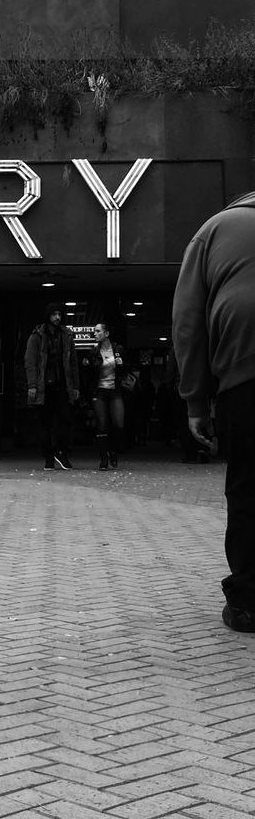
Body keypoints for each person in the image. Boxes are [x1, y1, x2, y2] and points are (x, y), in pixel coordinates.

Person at [172, 190, 255, 633]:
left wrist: (196, 401)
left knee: (247, 488)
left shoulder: (213, 230)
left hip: (245, 367)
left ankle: (248, 603)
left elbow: (188, 323)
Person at [24, 303, 79, 470]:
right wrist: (32, 385)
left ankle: (60, 452)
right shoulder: (37, 336)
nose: (57, 317)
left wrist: (76, 386)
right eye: (54, 314)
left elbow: (73, 363)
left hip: (62, 384)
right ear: (48, 316)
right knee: (45, 423)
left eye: (59, 314)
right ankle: (48, 455)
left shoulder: (67, 335)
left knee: (66, 419)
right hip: (44, 386)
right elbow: (30, 362)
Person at [87, 323, 127, 470]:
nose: (95, 334)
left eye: (98, 331)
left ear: (106, 333)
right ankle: (103, 458)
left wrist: (121, 365)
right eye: (94, 332)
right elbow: (89, 374)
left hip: (115, 390)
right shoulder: (93, 352)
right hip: (100, 391)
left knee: (119, 424)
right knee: (102, 424)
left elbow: (125, 372)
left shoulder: (118, 350)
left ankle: (113, 451)